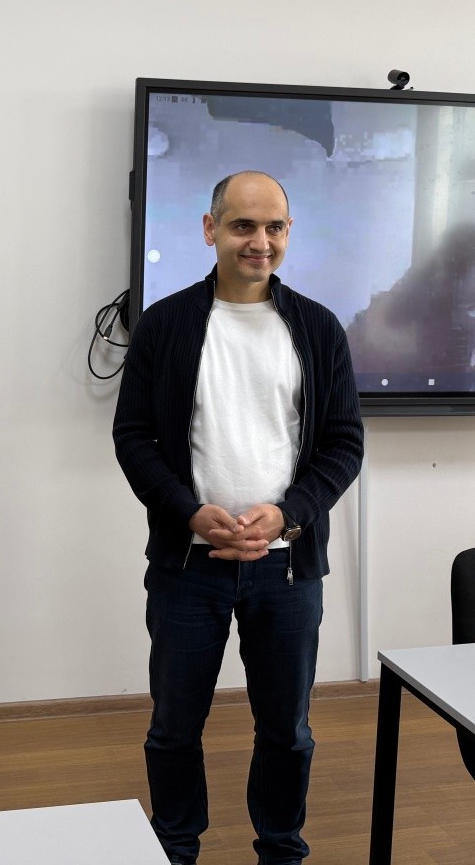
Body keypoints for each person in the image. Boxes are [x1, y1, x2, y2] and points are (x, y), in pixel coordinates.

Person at [112, 170, 364, 865]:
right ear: (210, 228)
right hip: (187, 566)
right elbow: (133, 436)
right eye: (243, 225)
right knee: (174, 727)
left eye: (274, 227)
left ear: (288, 232)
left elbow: (344, 442)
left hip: (288, 570)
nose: (260, 241)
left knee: (287, 731)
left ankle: (281, 850)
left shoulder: (318, 327)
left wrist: (288, 515)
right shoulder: (165, 323)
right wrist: (190, 513)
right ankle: (175, 848)